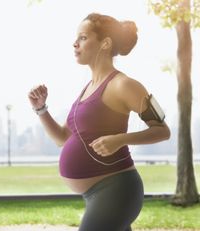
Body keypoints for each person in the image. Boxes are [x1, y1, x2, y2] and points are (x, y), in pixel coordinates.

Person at [28, 12, 171, 231]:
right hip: (96, 194)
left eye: (83, 38)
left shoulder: (123, 85)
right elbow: (62, 138)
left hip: (116, 190)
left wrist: (120, 140)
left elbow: (162, 131)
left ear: (105, 43)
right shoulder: (87, 88)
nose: (75, 43)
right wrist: (40, 108)